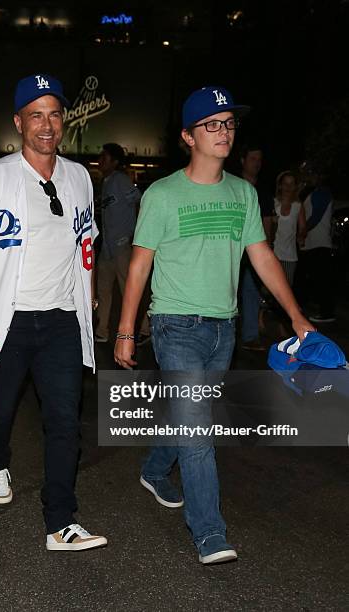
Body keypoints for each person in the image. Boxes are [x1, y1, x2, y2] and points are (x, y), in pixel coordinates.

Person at [114, 85, 314, 564]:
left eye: (229, 123)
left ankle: (155, 468)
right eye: (213, 124)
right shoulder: (162, 195)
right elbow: (140, 264)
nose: (224, 132)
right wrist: (125, 331)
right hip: (174, 324)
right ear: (189, 135)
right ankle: (209, 532)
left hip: (223, 328)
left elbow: (262, 256)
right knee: (200, 432)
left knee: (191, 416)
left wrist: (296, 315)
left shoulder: (243, 193)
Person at [0, 73, 107, 552]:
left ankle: (61, 521)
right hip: (8, 318)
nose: (47, 125)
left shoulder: (80, 178)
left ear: (65, 122)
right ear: (19, 122)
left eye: (55, 114)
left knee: (64, 421)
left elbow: (87, 245)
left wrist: (90, 297)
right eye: (36, 115)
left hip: (61, 319)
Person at [94, 143, 150, 345]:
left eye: (105, 157)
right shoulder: (107, 181)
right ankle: (102, 330)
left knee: (130, 288)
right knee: (103, 289)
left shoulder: (120, 180)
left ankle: (144, 328)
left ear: (115, 162)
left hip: (122, 245)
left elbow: (140, 201)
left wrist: (133, 234)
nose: (100, 160)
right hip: (108, 248)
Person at [239, 144, 275, 350]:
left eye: (259, 160)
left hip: (255, 251)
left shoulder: (263, 190)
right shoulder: (232, 185)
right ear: (243, 161)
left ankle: (250, 336)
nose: (257, 164)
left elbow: (268, 219)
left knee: (252, 291)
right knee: (229, 293)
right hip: (232, 250)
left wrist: (268, 248)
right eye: (253, 159)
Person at [298, 168, 336, 323]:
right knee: (313, 279)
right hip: (313, 244)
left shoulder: (322, 192)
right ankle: (317, 309)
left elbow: (316, 216)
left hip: (319, 244)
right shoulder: (314, 192)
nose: (309, 177)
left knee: (321, 280)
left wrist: (302, 233)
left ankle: (326, 313)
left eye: (312, 174)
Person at [273, 170, 306, 287]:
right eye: (285, 183)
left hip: (290, 256)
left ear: (295, 187)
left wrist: (301, 236)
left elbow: (303, 227)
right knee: (271, 288)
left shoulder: (298, 206)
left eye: (291, 184)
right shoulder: (273, 203)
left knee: (286, 289)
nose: (288, 187)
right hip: (272, 253)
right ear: (280, 185)